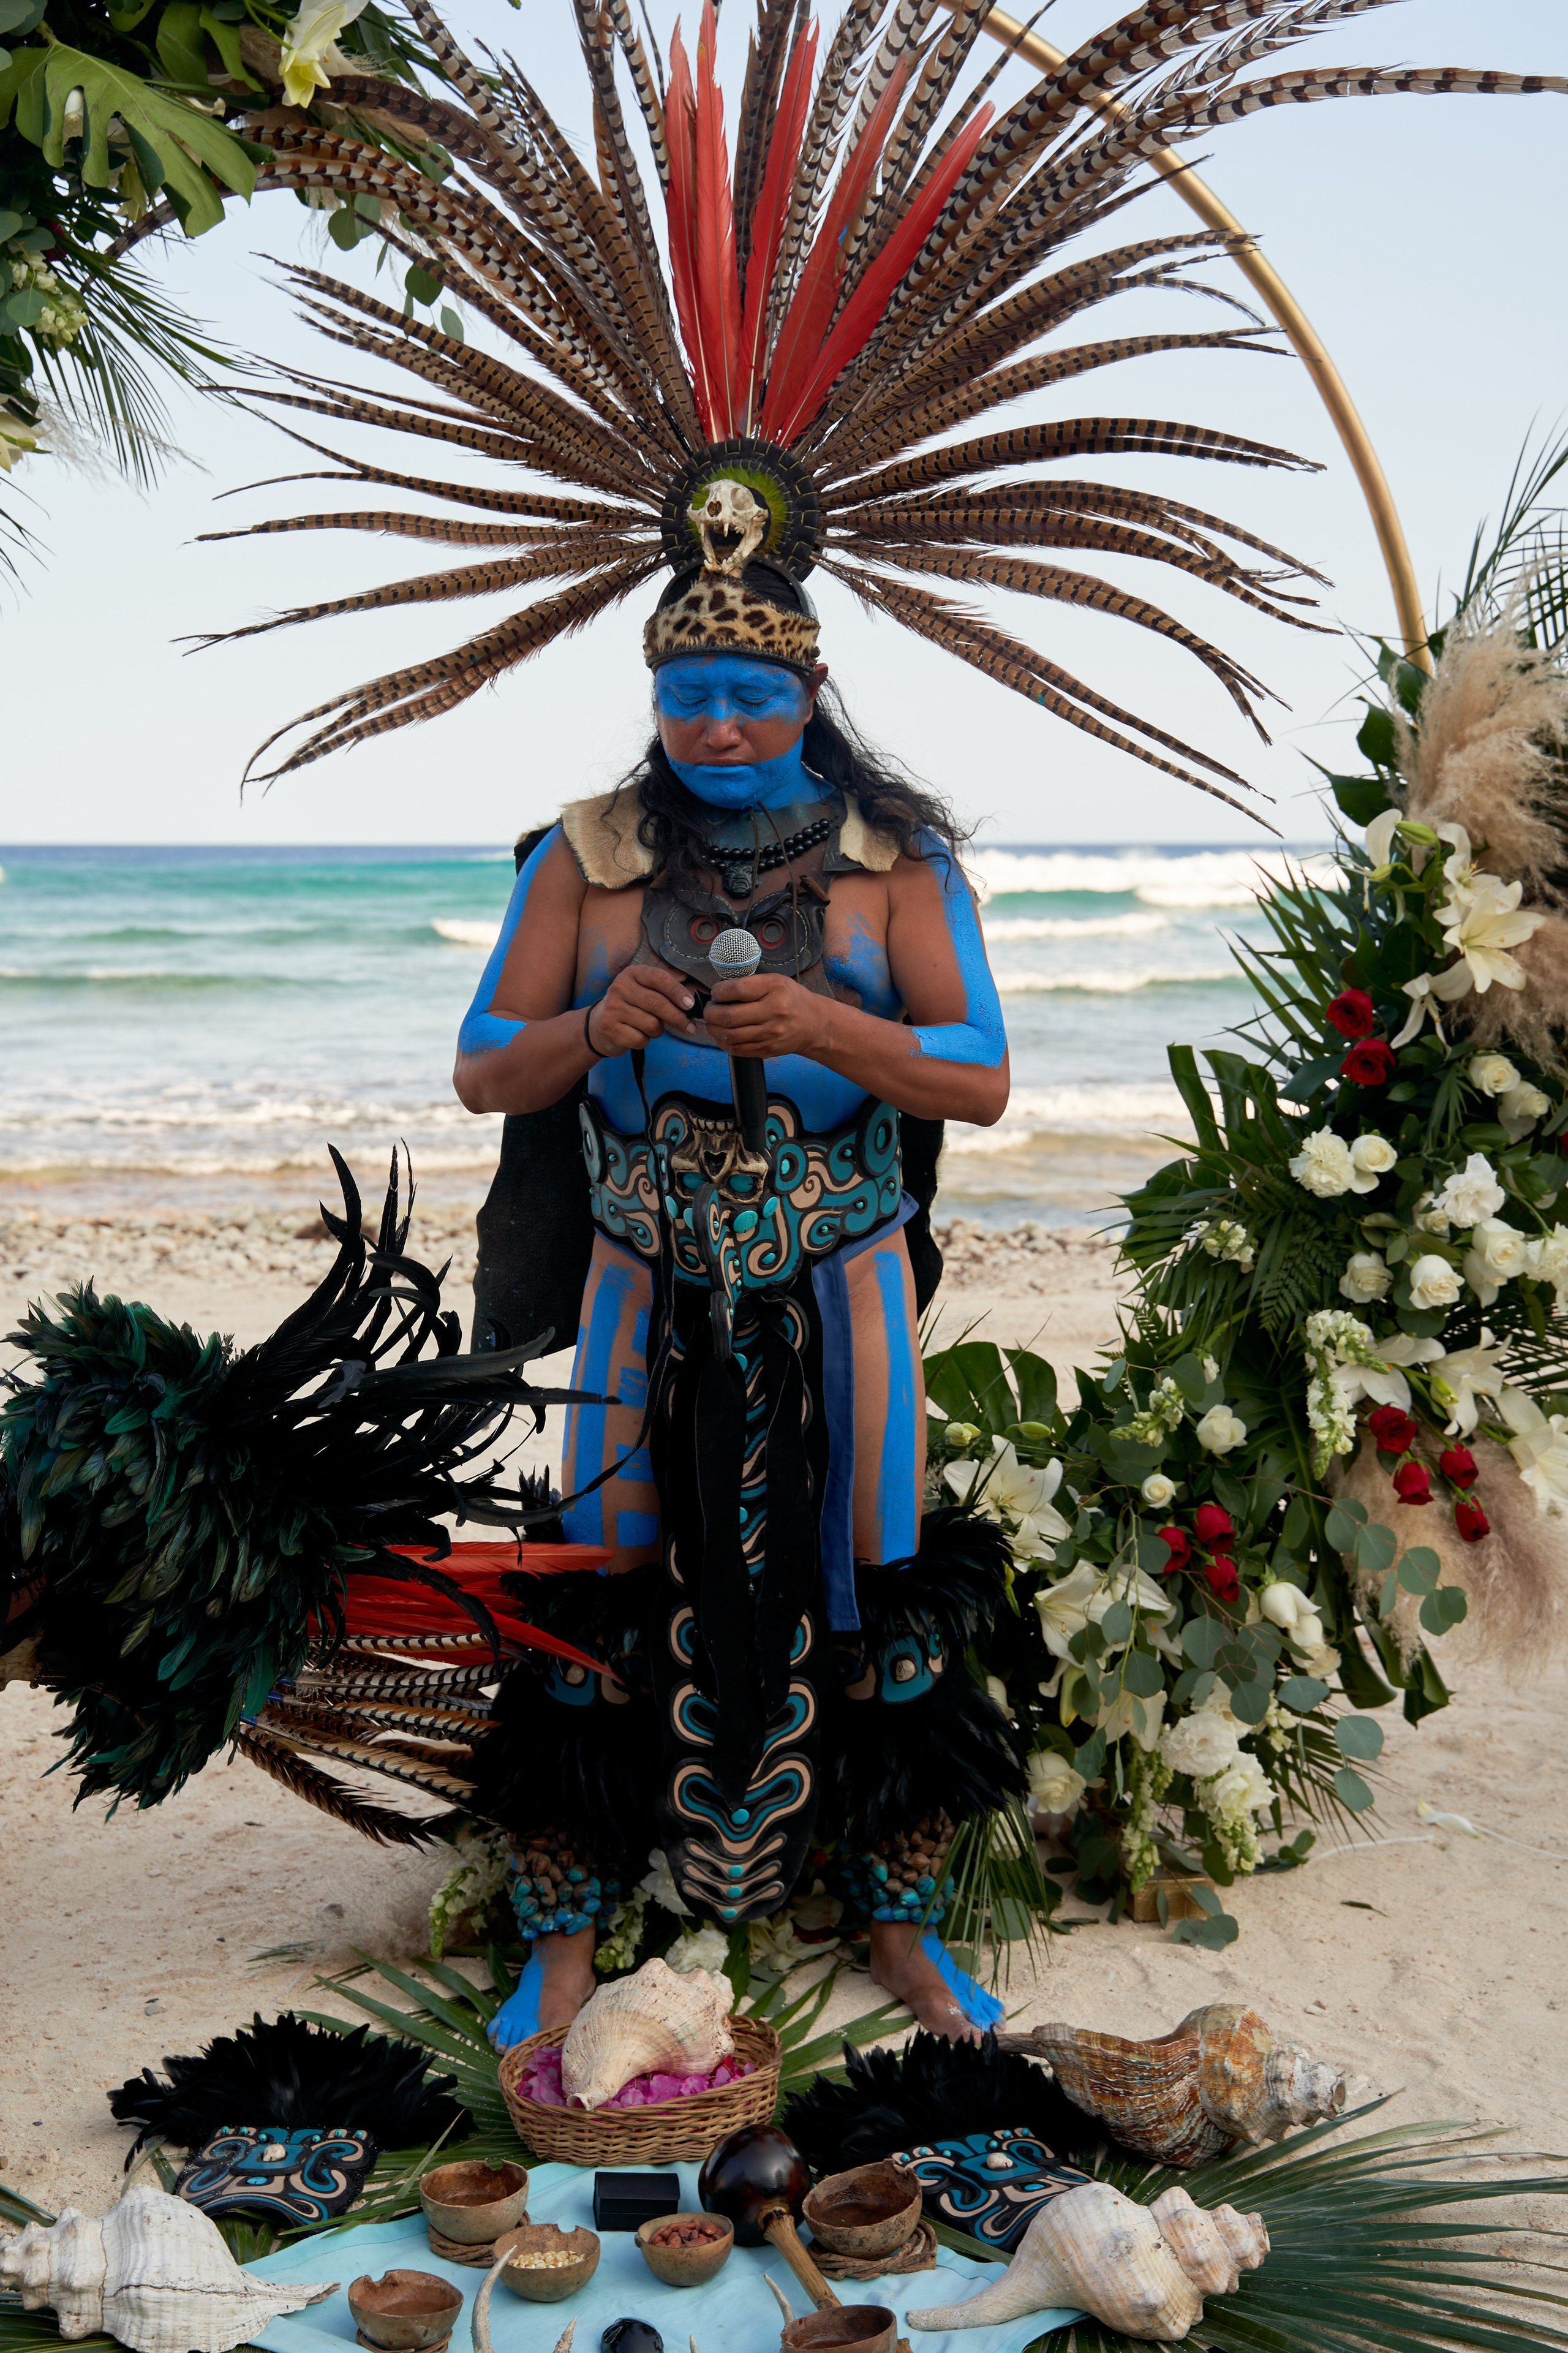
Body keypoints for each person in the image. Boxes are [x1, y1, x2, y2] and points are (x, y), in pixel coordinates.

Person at [453, 556, 1023, 2038]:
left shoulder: (896, 862)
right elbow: (483, 1067)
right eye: (688, 695)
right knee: (597, 1580)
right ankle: (564, 1943)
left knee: (882, 1575)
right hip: (640, 1270)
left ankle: (898, 1927)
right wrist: (594, 1025)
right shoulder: (583, 859)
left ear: (810, 692)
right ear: (653, 698)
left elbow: (978, 1073)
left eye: (751, 695)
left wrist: (829, 1025)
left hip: (844, 1272)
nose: (717, 724)